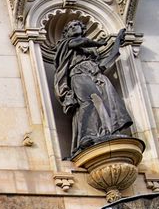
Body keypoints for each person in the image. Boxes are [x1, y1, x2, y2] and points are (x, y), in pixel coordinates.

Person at [54, 20, 133, 155]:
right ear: (67, 33)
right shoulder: (66, 44)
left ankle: (108, 131)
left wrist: (118, 42)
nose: (74, 28)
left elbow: (107, 60)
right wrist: (100, 43)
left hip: (96, 74)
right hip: (79, 75)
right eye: (70, 27)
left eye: (76, 25)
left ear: (82, 28)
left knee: (108, 102)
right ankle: (86, 137)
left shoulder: (91, 51)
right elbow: (77, 43)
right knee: (89, 102)